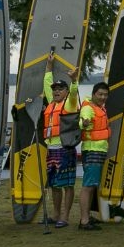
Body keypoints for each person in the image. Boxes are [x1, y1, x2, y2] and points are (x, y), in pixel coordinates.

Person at [42, 54, 80, 227]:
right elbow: (46, 83)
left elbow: (73, 94)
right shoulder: (51, 103)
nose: (56, 91)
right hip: (51, 149)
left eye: (60, 89)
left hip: (65, 148)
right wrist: (49, 65)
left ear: (66, 91)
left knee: (67, 184)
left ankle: (65, 217)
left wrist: (74, 81)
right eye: (55, 89)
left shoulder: (69, 104)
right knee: (54, 184)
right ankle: (55, 215)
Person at [77, 81, 111, 231]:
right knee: (88, 186)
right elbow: (83, 120)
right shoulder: (88, 108)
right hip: (92, 150)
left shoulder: (100, 108)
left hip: (99, 150)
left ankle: (87, 216)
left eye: (105, 95)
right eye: (100, 94)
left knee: (92, 185)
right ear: (93, 94)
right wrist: (84, 123)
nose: (103, 97)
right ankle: (84, 221)